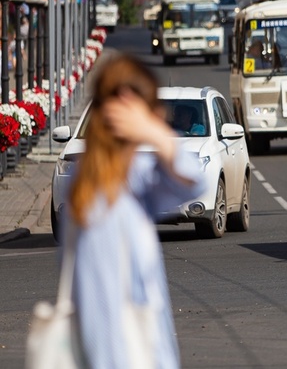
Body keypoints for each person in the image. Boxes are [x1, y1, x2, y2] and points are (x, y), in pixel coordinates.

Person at [62, 53, 206, 368]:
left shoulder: (103, 178)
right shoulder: (109, 192)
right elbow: (106, 312)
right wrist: (156, 133)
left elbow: (192, 183)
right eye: (154, 113)